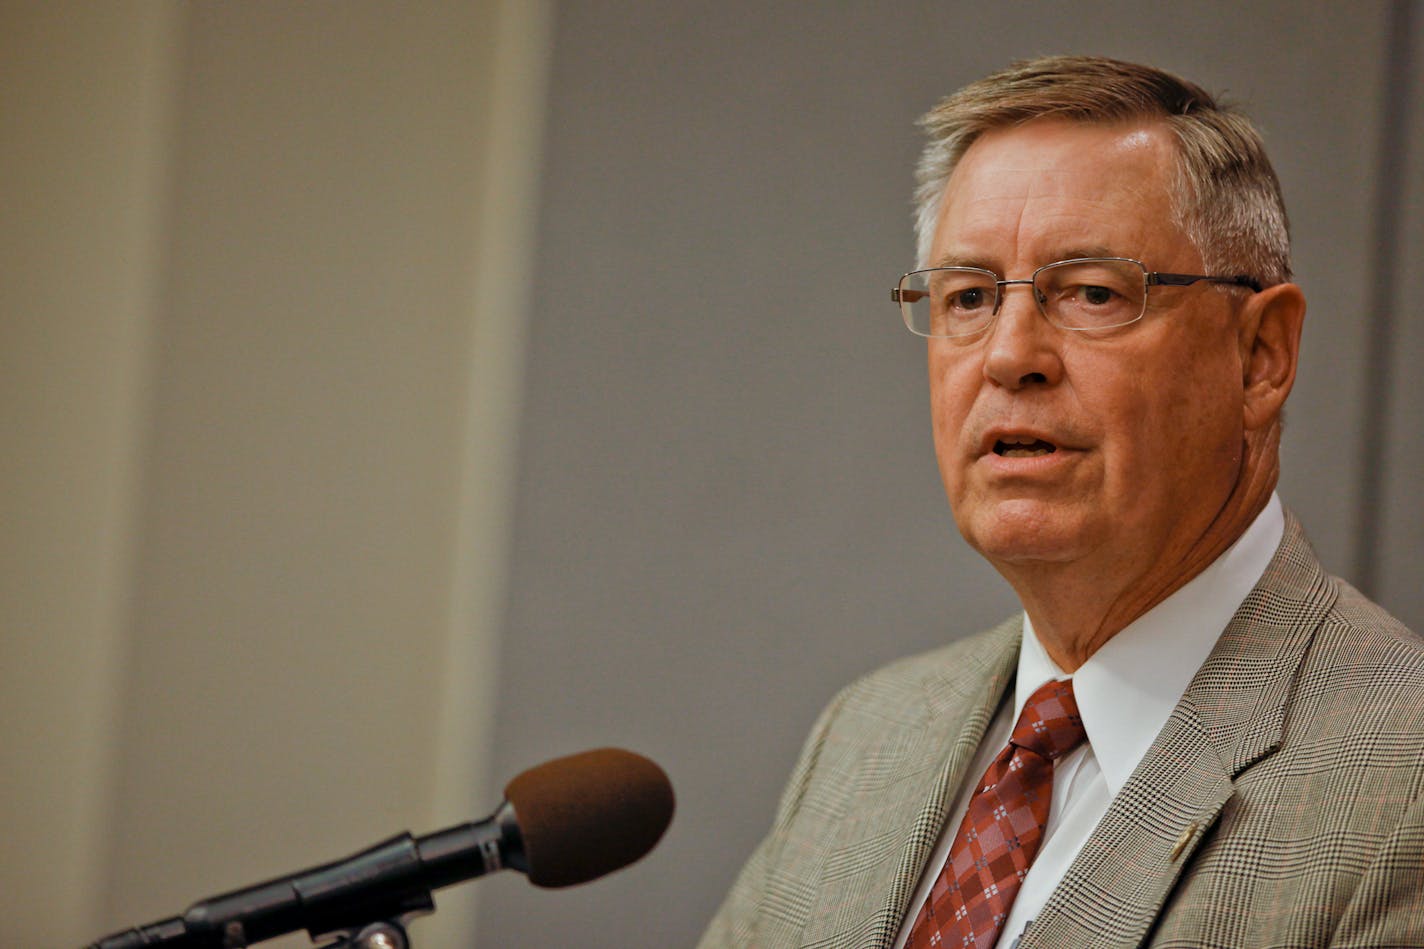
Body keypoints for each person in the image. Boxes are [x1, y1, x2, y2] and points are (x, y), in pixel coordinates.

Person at [698, 56, 1424, 949]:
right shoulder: (864, 737)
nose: (1010, 355)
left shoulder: (1402, 780)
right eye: (967, 296)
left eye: (1091, 292)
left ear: (1260, 356)